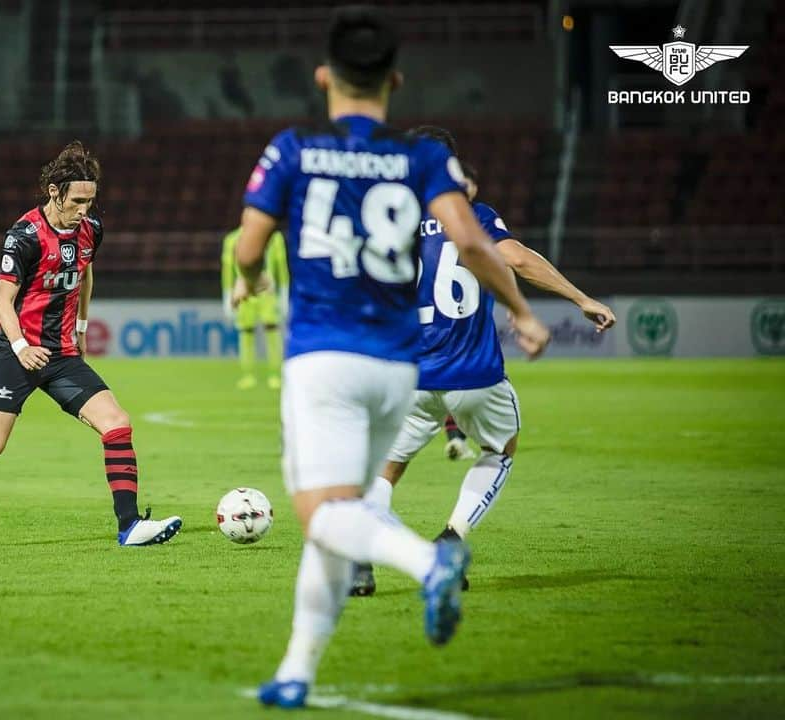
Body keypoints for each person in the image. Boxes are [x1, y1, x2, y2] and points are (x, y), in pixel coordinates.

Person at [233, 7, 550, 709]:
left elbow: (251, 247)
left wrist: (249, 282)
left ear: (323, 77)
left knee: (323, 513)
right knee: (347, 506)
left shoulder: (293, 149)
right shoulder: (423, 159)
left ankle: (427, 560)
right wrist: (523, 313)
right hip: (396, 366)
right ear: (395, 81)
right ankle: (297, 671)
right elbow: (473, 244)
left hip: (324, 355)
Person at [349, 128, 614, 597]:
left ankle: (363, 563)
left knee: (382, 470)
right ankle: (450, 539)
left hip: (407, 374)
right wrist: (579, 298)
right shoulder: (474, 218)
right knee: (500, 448)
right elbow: (519, 259)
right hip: (473, 373)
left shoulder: (387, 224)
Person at [0, 141, 182, 547]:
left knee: (117, 423)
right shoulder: (24, 236)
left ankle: (129, 527)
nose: (85, 210)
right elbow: (2, 302)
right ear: (54, 192)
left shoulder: (90, 229)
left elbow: (85, 272)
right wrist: (22, 346)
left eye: (90, 202)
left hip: (60, 355)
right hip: (16, 352)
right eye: (77, 201)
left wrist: (80, 325)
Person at [221, 226, 288, 389]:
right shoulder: (232, 239)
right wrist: (227, 296)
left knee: (273, 334)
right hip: (244, 293)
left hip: (268, 292)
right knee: (246, 335)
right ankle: (248, 375)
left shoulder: (275, 239)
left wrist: (284, 293)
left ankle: (275, 374)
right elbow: (228, 270)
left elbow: (282, 266)